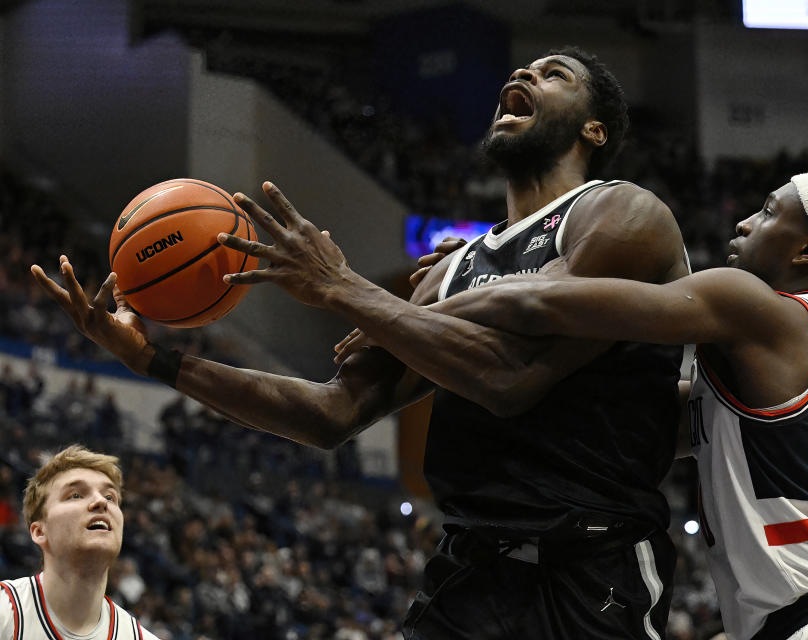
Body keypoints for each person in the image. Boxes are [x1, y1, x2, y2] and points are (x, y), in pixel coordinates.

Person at [32, 46, 690, 639]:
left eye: (555, 74)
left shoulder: (623, 213)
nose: (523, 74)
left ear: (593, 129)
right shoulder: (451, 271)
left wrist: (345, 288)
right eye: (524, 69)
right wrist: (151, 358)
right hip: (469, 571)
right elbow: (330, 413)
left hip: (591, 570)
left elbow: (511, 379)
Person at [332, 166, 808, 639]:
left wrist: (391, 308)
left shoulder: (751, 302)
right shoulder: (770, 361)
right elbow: (615, 414)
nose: (744, 222)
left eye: (768, 212)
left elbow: (546, 304)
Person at [0, 445, 160, 640]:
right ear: (40, 531)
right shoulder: (6, 613)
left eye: (110, 497)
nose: (101, 502)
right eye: (75, 495)